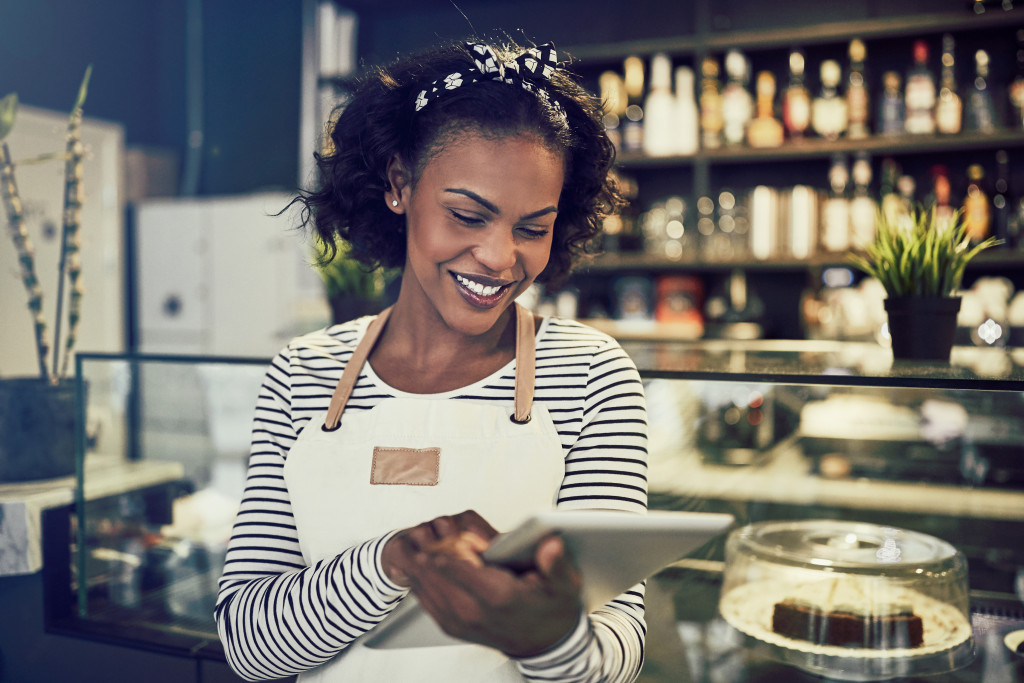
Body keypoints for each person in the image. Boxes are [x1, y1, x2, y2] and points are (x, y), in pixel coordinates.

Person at [215, 38, 649, 683]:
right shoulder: (304, 372)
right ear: (399, 184)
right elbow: (249, 645)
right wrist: (395, 561)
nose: (501, 257)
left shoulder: (591, 374)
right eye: (467, 215)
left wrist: (550, 641)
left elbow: (620, 648)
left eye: (533, 227)